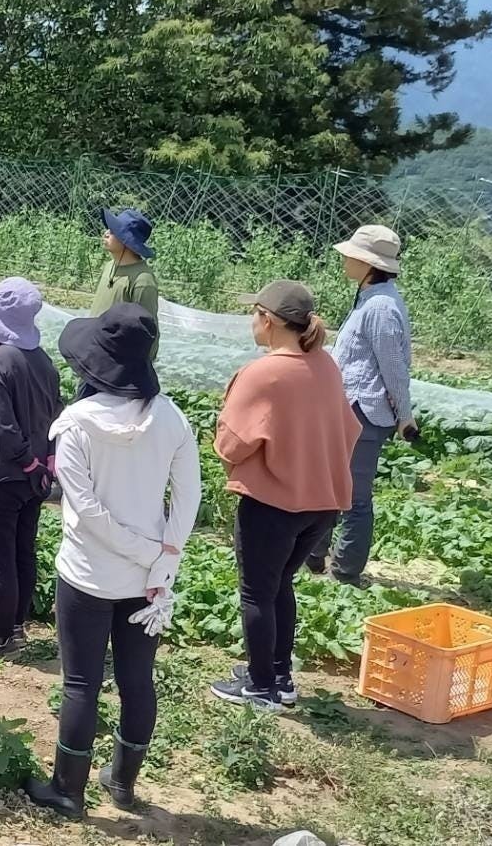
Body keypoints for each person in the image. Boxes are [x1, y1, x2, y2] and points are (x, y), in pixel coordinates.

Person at [25, 303, 200, 819]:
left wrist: (150, 555)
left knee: (81, 684)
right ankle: (122, 784)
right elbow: (188, 499)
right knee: (136, 681)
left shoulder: (76, 424)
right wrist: (163, 559)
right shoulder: (171, 418)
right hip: (149, 583)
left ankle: (68, 791)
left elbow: (89, 513)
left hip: (87, 575)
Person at [210, 281, 360, 710]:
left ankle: (261, 687)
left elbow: (232, 444)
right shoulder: (325, 365)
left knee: (257, 591)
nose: (251, 321)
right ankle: (280, 677)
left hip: (273, 503)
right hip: (323, 503)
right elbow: (348, 430)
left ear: (269, 321)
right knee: (279, 586)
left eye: (254, 313)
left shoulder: (263, 373)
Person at [0, 278, 62, 657]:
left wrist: (25, 459)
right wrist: (41, 464)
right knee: (23, 551)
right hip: (33, 478)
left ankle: (0, 636)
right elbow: (55, 415)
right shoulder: (43, 361)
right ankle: (16, 626)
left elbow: (4, 431)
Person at [311, 225, 413, 588]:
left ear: (369, 263)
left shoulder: (382, 306)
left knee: (353, 496)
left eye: (351, 254)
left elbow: (394, 367)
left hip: (365, 412)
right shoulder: (370, 296)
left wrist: (405, 416)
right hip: (349, 407)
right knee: (328, 485)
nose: (345, 258)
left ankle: (346, 570)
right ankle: (314, 556)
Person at [82, 209, 160, 400]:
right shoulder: (110, 266)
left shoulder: (142, 280)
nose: (106, 233)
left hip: (116, 369)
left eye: (113, 231)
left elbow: (148, 332)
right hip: (93, 358)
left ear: (127, 241)